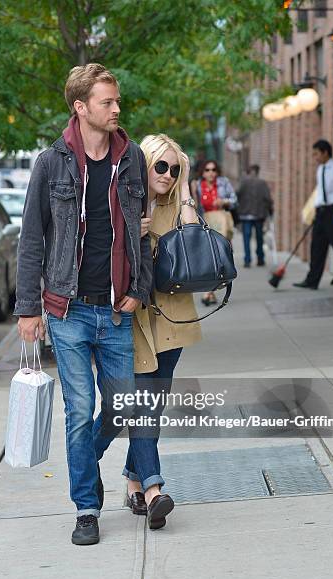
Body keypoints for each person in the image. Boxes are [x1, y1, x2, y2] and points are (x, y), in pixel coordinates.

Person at [14, 63, 152, 546]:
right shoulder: (51, 163)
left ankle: (81, 461)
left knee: (119, 409)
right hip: (67, 310)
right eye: (107, 102)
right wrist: (28, 309)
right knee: (79, 410)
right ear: (81, 107)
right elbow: (31, 238)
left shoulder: (130, 157)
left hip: (116, 310)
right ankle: (87, 508)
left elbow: (139, 230)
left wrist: (141, 288)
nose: (117, 109)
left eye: (116, 101)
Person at [123, 134, 202, 529]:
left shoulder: (175, 204)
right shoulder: (124, 200)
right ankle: (154, 491)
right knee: (142, 404)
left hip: (170, 320)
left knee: (151, 404)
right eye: (162, 166)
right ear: (145, 162)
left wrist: (185, 184)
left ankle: (134, 482)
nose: (167, 175)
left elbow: (193, 241)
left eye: (174, 169)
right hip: (134, 318)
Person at [294, 139, 333, 290]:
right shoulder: (320, 170)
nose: (315, 158)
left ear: (325, 152)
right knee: (317, 247)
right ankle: (312, 280)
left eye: (316, 154)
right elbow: (320, 192)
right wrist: (314, 210)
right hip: (321, 213)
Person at [191, 160, 237, 305]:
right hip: (206, 223)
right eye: (207, 170)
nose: (210, 173)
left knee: (220, 259)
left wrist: (223, 201)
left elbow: (234, 200)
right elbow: (195, 207)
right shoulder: (197, 185)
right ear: (202, 172)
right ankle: (208, 292)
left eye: (213, 169)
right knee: (209, 259)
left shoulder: (223, 182)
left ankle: (210, 292)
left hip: (222, 222)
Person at [237, 164, 274, 268]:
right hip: (259, 214)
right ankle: (260, 258)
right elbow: (267, 198)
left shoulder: (243, 182)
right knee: (259, 237)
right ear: (258, 172)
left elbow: (237, 194)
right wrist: (270, 209)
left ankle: (247, 259)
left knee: (246, 237)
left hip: (245, 214)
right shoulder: (262, 183)